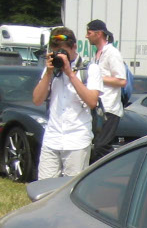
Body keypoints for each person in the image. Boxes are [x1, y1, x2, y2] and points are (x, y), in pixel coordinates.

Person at [32, 27, 99, 179]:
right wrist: (49, 73)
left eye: (63, 51)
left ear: (74, 47)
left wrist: (70, 73)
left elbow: (92, 101)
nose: (60, 56)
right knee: (44, 189)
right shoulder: (50, 70)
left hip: (77, 140)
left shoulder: (90, 69)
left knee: (70, 190)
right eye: (56, 51)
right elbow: (37, 100)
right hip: (52, 137)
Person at [84, 19, 127, 163]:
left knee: (102, 146)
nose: (86, 36)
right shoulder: (97, 54)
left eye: (89, 33)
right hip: (98, 107)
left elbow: (122, 80)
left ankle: (119, 166)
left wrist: (97, 78)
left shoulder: (112, 53)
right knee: (95, 145)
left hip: (110, 108)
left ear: (99, 34)